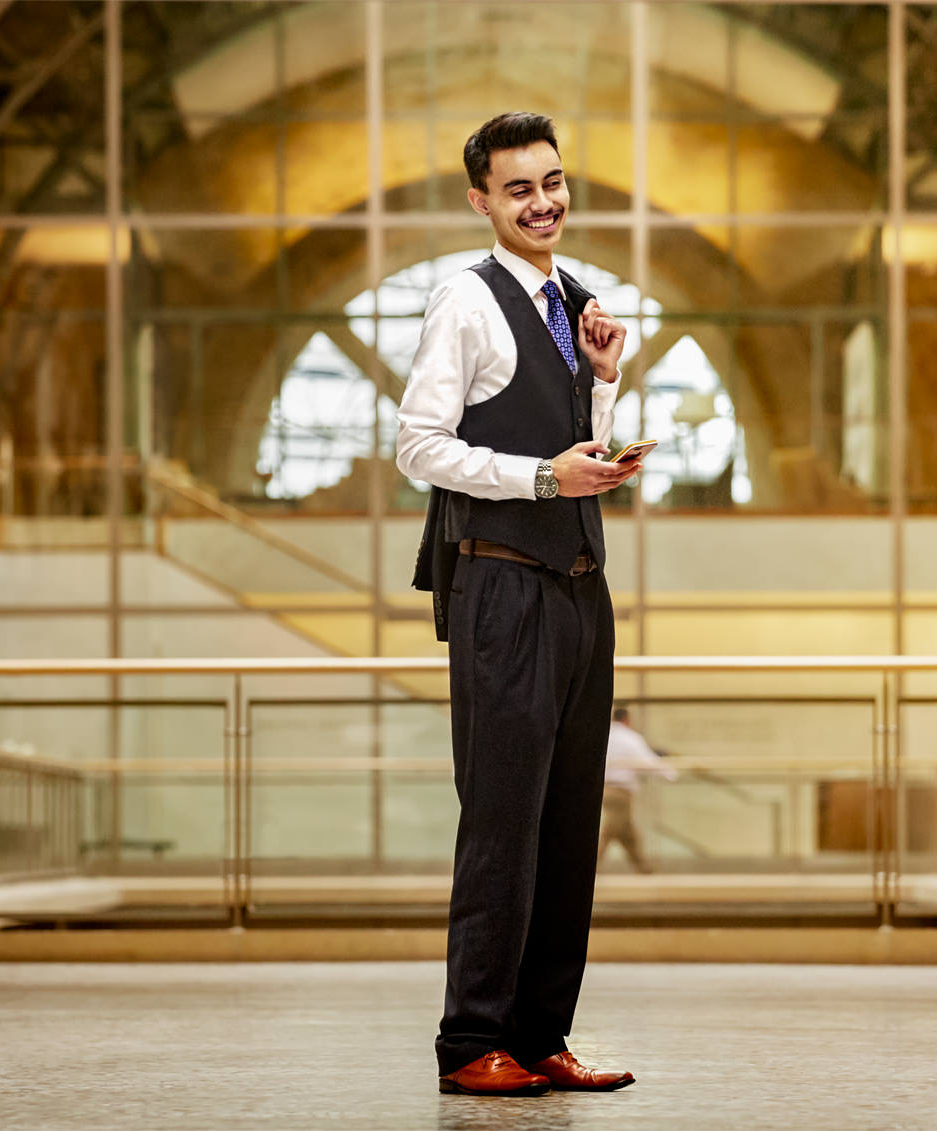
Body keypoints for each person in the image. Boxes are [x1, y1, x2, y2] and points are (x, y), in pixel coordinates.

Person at [398, 111, 641, 1099]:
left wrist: (604, 386)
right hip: (501, 584)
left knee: (568, 821)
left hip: (580, 587)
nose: (542, 201)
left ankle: (542, 1034)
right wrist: (542, 479)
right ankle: (470, 1044)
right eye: (517, 189)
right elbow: (418, 447)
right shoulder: (464, 300)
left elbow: (570, 448)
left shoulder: (573, 302)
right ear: (480, 202)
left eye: (551, 181)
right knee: (502, 818)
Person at [599, 706, 677, 873]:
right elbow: (647, 761)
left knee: (628, 834)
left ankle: (643, 868)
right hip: (620, 792)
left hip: (604, 790)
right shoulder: (630, 738)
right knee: (609, 831)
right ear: (627, 720)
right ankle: (587, 865)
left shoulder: (605, 735)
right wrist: (671, 774)